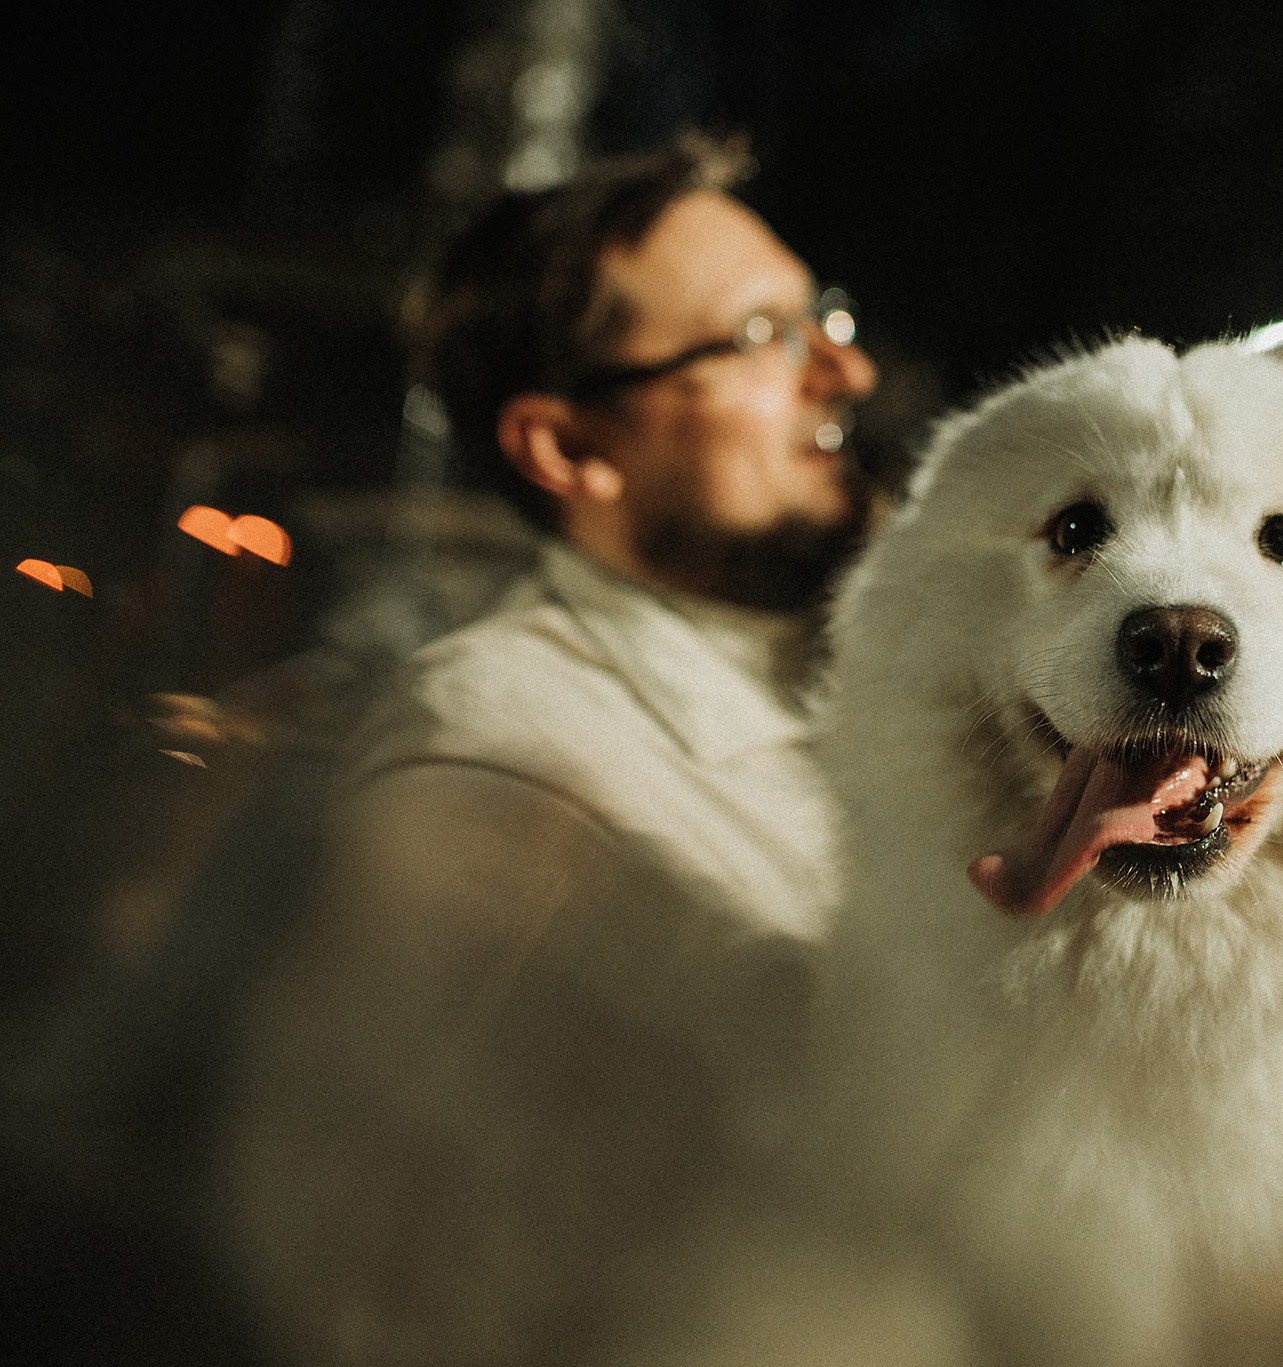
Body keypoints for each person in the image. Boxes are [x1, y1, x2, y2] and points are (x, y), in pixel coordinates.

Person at [217, 134, 880, 1367]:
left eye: (822, 316)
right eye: (759, 337)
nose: (845, 369)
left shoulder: (880, 687)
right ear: (568, 449)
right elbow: (408, 1287)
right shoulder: (494, 765)